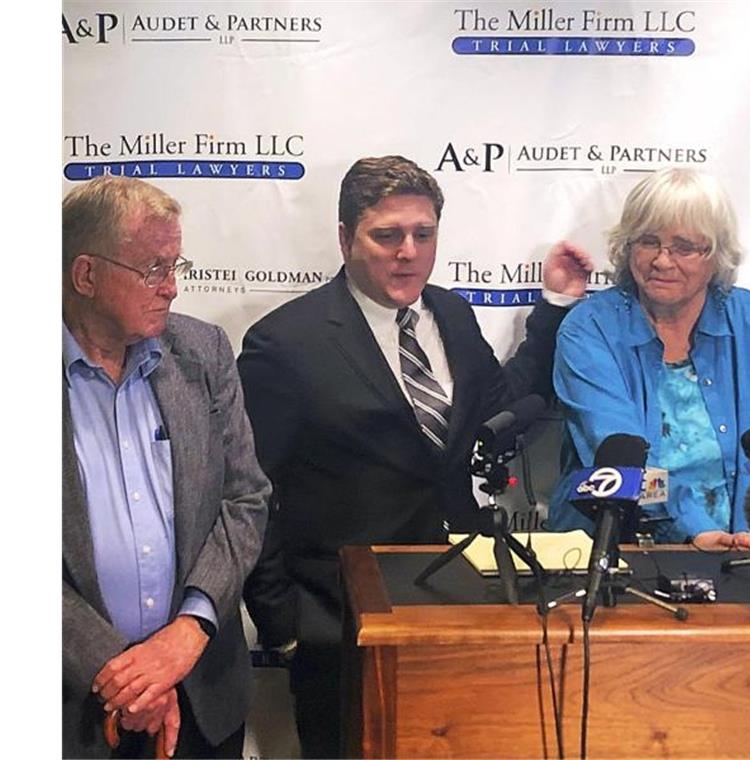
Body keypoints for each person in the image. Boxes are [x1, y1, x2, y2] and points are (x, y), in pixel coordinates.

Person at [237, 155, 594, 757]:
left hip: (459, 606)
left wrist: (555, 309)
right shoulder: (284, 343)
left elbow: (503, 407)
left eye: (422, 235)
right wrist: (287, 629)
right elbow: (251, 495)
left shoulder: (451, 314)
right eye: (387, 235)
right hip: (344, 627)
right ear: (347, 238)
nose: (408, 251)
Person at [62, 175, 271, 757]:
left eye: (176, 265)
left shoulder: (202, 353)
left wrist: (189, 629)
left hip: (202, 695)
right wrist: (123, 675)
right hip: (70, 707)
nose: (172, 288)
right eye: (154, 269)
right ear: (86, 275)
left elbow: (246, 498)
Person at [546, 168, 750, 548]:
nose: (662, 261)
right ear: (626, 246)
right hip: (625, 545)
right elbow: (618, 461)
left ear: (716, 255)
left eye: (684, 247)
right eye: (648, 242)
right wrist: (694, 528)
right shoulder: (590, 330)